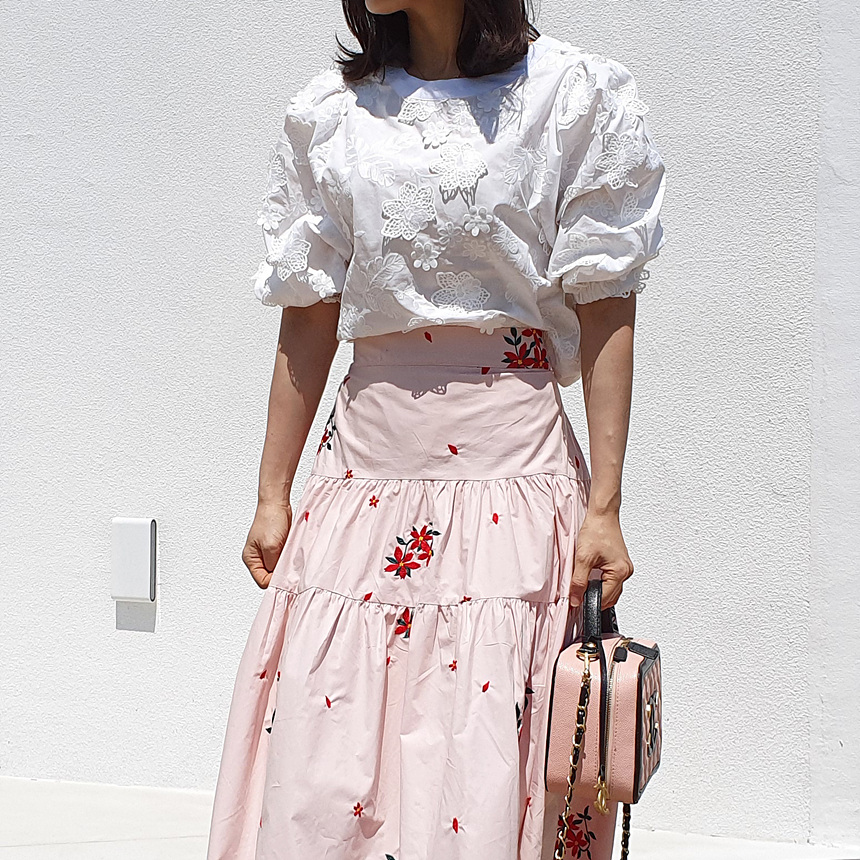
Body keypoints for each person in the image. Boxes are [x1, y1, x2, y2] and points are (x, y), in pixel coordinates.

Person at [206, 1, 665, 857]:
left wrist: (605, 506)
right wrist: (272, 492)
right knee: (329, 759)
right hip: (361, 485)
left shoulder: (570, 97)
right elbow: (310, 313)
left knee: (482, 753)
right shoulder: (332, 114)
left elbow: (607, 304)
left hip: (513, 484)